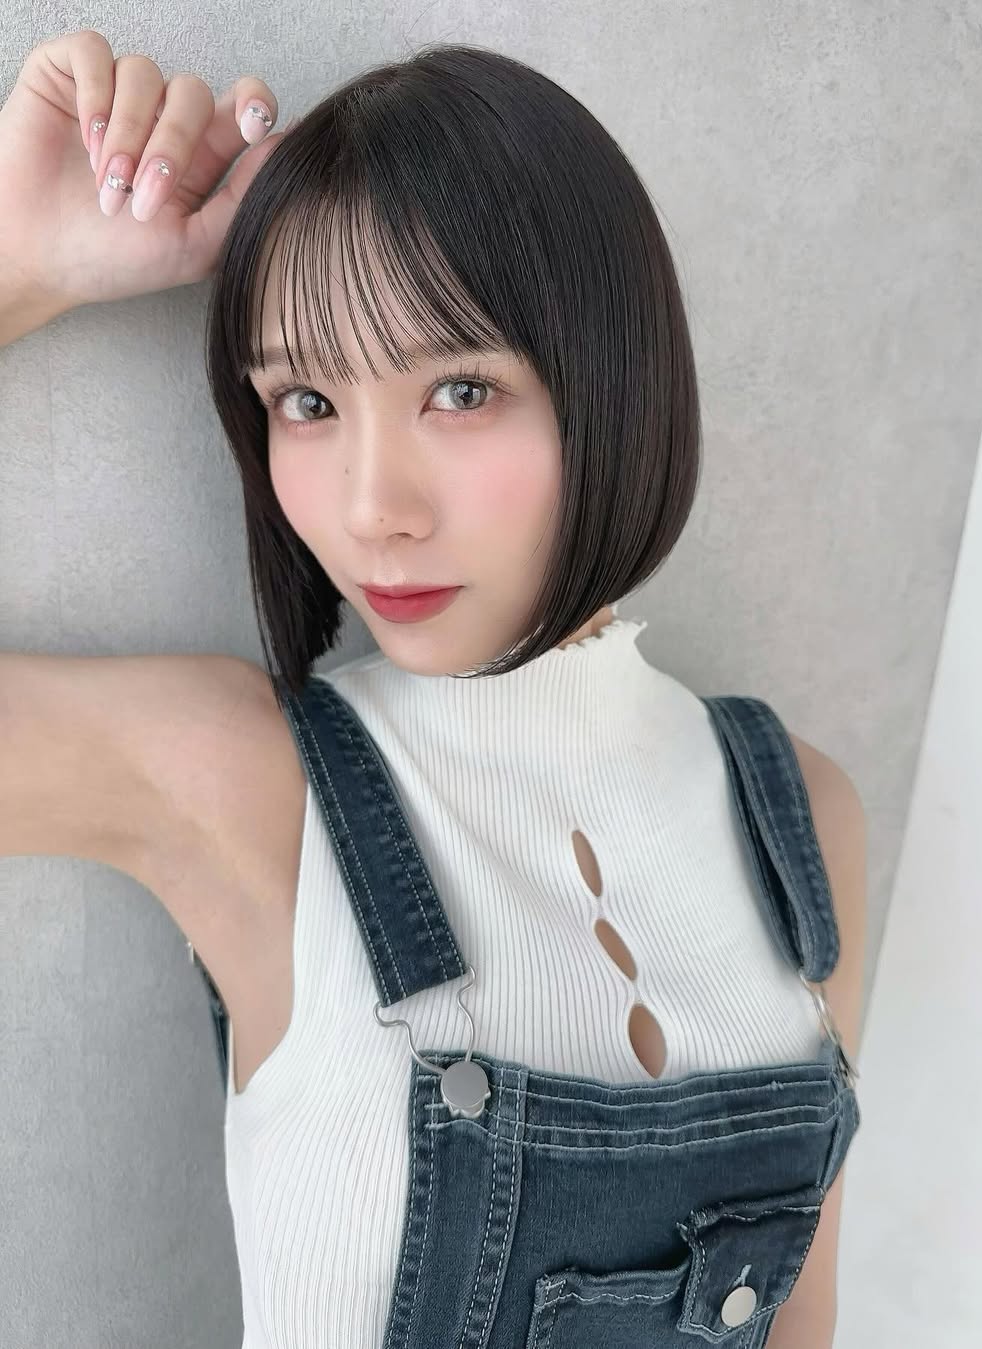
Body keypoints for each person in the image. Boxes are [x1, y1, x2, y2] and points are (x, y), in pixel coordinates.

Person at [0, 30, 867, 1349]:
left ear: (613, 383)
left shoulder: (799, 815)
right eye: (306, 401)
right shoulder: (248, 787)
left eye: (460, 390)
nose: (371, 508)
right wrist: (22, 264)